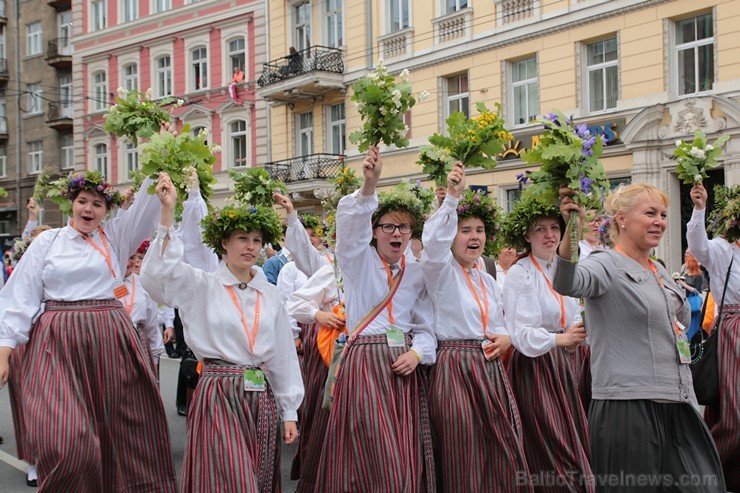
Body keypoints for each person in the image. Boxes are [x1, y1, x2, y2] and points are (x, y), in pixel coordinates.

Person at [0, 171, 176, 492]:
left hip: (110, 336)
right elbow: (20, 295)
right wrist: (6, 347)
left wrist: (157, 169)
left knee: (123, 437)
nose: (89, 209)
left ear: (107, 211)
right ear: (72, 203)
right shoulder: (47, 241)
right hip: (57, 339)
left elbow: (145, 211)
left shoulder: (116, 236)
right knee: (67, 442)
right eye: (83, 201)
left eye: (97, 204)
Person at [555, 183, 726, 493]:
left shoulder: (658, 270)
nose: (659, 221)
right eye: (649, 213)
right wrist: (573, 232)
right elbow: (567, 282)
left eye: (662, 214)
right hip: (628, 405)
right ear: (621, 218)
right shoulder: (605, 263)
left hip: (678, 401)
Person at [140, 191, 303, 493]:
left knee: (258, 475)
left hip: (259, 395)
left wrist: (289, 411)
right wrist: (167, 213)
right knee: (229, 478)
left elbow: (282, 355)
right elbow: (157, 277)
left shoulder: (269, 294)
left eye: (256, 239)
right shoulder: (201, 284)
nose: (251, 246)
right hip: (218, 391)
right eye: (242, 238)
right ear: (224, 243)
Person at [314, 146, 437, 492]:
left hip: (403, 366)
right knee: (371, 446)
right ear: (375, 230)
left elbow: (426, 326)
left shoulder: (415, 272)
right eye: (388, 227)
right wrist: (369, 186)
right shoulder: (358, 260)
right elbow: (349, 230)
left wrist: (417, 354)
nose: (396, 234)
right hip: (366, 362)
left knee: (402, 445)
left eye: (404, 228)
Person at [421, 163, 530, 492]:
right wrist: (452, 198)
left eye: (479, 230)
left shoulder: (487, 278)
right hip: (454, 367)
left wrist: (508, 338)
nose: (474, 237)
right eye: (465, 230)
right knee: (462, 449)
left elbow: (501, 323)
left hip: (490, 368)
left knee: (500, 446)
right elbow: (434, 245)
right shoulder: (441, 272)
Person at [501, 197, 592, 492]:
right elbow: (520, 332)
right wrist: (559, 339)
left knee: (575, 431)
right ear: (527, 236)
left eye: (555, 227)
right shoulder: (521, 272)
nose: (550, 234)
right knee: (553, 440)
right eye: (540, 229)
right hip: (536, 365)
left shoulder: (562, 267)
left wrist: (573, 335)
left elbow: (573, 310)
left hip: (568, 359)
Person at [687, 183, 739, 490]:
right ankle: (714, 473)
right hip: (734, 332)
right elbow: (698, 245)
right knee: (734, 415)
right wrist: (699, 208)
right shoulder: (723, 250)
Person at [676, 249, 704, 341]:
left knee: (693, 328)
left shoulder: (698, 276)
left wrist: (684, 284)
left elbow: (697, 291)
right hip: (686, 301)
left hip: (693, 304)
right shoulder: (686, 274)